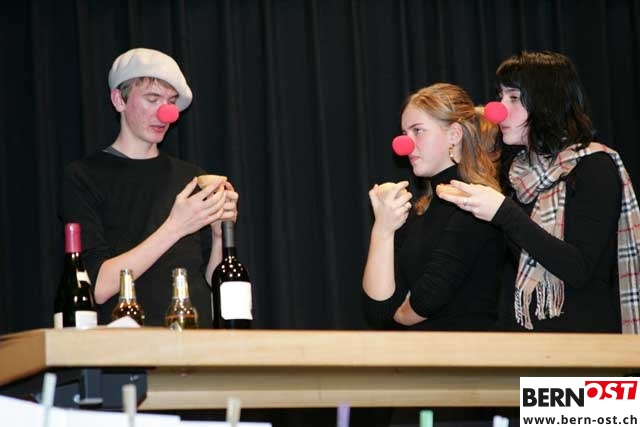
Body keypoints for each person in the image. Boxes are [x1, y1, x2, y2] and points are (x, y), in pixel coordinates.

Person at [438, 51, 640, 333]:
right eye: (500, 96)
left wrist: (504, 213)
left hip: (583, 341)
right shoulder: (515, 171)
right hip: (525, 337)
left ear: (546, 102)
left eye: (514, 98)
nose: (499, 109)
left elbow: (579, 268)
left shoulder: (594, 166)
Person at [59, 47, 239, 326]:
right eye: (152, 99)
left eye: (171, 101)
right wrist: (176, 226)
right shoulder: (84, 177)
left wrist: (218, 236)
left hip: (196, 338)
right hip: (129, 343)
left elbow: (213, 284)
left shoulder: (192, 178)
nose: (166, 113)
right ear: (118, 99)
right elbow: (98, 286)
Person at [362, 83, 505, 331]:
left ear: (454, 135)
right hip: (420, 351)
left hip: (468, 351)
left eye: (418, 130)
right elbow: (379, 312)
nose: (405, 145)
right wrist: (382, 230)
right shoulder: (420, 211)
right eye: (404, 133)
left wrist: (402, 314)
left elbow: (427, 300)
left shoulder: (476, 203)